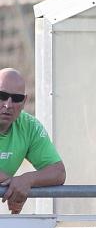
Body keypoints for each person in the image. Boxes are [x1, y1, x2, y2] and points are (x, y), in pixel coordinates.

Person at [0, 68, 66, 214]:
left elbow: (58, 172)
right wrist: (12, 185)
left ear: (24, 102)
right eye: (2, 96)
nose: (7, 105)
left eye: (16, 98)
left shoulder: (29, 126)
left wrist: (27, 180)